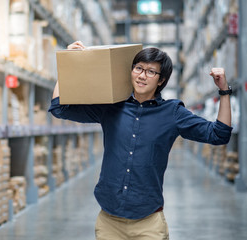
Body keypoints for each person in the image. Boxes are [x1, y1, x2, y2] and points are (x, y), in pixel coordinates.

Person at [48, 41, 232, 240]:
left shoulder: (173, 113)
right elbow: (60, 108)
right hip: (109, 222)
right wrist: (68, 64)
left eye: (151, 72)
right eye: (138, 68)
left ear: (161, 80)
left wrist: (224, 92)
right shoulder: (111, 107)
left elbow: (219, 134)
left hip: (149, 224)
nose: (142, 75)